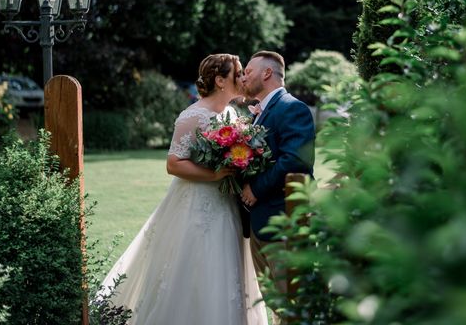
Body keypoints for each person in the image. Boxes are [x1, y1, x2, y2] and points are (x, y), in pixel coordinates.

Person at [101, 53, 268, 325]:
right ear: (220, 80)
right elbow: (173, 164)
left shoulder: (230, 113)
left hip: (226, 205)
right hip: (196, 205)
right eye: (237, 73)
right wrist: (215, 173)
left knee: (225, 269)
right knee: (195, 267)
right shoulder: (193, 116)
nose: (243, 78)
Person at [240, 51, 315, 322]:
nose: (243, 76)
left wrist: (255, 189)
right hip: (259, 223)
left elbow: (295, 161)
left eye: (248, 70)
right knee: (277, 307)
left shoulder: (292, 107)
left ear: (267, 73)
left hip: (282, 223)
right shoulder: (258, 114)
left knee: (291, 306)